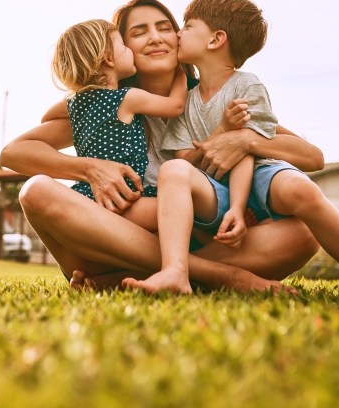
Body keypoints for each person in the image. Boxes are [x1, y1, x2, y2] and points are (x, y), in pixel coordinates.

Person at [0, 0, 324, 293]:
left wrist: (245, 138)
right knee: (36, 191)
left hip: (203, 240)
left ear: (180, 38)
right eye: (139, 32)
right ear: (117, 50)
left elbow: (312, 156)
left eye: (165, 28)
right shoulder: (108, 105)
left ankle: (137, 277)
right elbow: (14, 152)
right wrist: (88, 168)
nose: (155, 38)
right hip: (110, 241)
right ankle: (219, 276)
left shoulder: (215, 99)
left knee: (303, 235)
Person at [159, 0, 339, 301]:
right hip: (216, 185)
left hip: (260, 168)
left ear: (216, 39)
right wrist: (222, 135)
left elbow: (249, 150)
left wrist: (239, 203)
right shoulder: (184, 104)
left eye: (187, 25)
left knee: (300, 190)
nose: (178, 32)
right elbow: (187, 160)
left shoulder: (246, 86)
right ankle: (188, 271)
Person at [48, 18, 220, 294]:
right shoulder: (126, 98)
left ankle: (116, 278)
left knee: (158, 232)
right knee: (186, 221)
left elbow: (46, 117)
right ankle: (191, 272)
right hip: (129, 196)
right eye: (123, 47)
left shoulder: (74, 103)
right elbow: (176, 105)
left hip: (88, 197)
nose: (130, 50)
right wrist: (180, 76)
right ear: (108, 59)